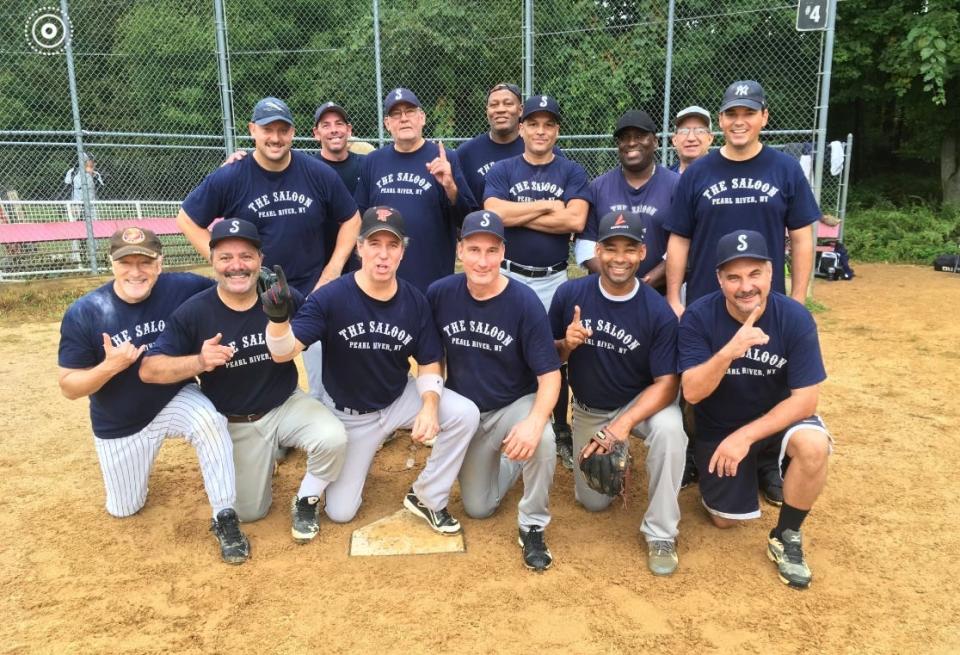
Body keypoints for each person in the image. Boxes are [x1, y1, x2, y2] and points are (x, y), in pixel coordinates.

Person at [264, 206, 480, 533]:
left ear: (402, 252)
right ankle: (306, 496)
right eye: (374, 244)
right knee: (340, 512)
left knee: (464, 413)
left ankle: (428, 496)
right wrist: (279, 321)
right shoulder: (331, 297)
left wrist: (430, 407)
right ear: (359, 247)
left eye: (392, 245)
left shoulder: (415, 301)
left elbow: (429, 361)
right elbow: (284, 353)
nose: (383, 254)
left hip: (398, 398)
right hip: (351, 416)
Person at [140, 219, 348, 545]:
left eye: (246, 256)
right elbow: (150, 369)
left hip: (285, 403)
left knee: (333, 437)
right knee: (250, 513)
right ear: (212, 262)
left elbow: (322, 326)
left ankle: (306, 499)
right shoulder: (194, 312)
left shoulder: (280, 296)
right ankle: (268, 454)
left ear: (260, 260)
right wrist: (199, 361)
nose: (237, 266)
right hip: (237, 421)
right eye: (226, 257)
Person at [664, 82, 822, 503]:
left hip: (763, 297)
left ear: (764, 118)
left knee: (769, 377)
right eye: (732, 114)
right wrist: (675, 298)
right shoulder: (699, 171)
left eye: (748, 113)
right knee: (699, 380)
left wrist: (799, 297)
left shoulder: (784, 169)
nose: (739, 121)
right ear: (721, 121)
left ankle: (766, 458)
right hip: (706, 299)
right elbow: (679, 238)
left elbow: (802, 236)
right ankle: (698, 453)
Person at [57, 227, 249, 565]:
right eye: (125, 262)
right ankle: (139, 471)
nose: (135, 272)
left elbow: (232, 291)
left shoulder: (183, 288)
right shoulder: (85, 312)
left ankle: (225, 516)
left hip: (172, 398)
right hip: (120, 422)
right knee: (125, 508)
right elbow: (69, 387)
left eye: (144, 262)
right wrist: (109, 366)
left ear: (159, 263)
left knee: (210, 422)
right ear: (111, 264)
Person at [176, 96, 361, 404]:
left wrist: (331, 272)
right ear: (252, 130)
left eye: (283, 130)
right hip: (257, 294)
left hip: (311, 289)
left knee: (324, 374)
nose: (275, 138)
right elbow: (186, 219)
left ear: (292, 132)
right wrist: (223, 261)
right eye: (267, 130)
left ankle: (324, 417)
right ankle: (276, 424)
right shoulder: (232, 176)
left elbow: (351, 218)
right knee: (264, 373)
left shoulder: (315, 172)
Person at [678, 229, 831, 589]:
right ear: (719, 279)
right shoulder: (699, 317)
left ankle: (786, 535)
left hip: (776, 421)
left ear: (771, 272)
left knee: (813, 446)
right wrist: (730, 350)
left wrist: (746, 437)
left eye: (754, 274)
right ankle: (760, 464)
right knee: (725, 521)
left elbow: (806, 399)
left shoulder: (793, 317)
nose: (745, 286)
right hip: (721, 424)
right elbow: (693, 392)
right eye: (733, 277)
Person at [551, 211, 687, 576]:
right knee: (593, 502)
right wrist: (566, 343)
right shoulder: (570, 294)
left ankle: (660, 531)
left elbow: (667, 384)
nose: (620, 258)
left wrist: (623, 425)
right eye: (611, 248)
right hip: (591, 407)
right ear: (597, 250)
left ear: (643, 252)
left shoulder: (657, 311)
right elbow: (549, 358)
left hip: (642, 405)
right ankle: (616, 451)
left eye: (630, 249)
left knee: (671, 430)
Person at [427, 210, 561, 571]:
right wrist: (434, 406)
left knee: (543, 438)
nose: (482, 261)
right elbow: (430, 358)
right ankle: (513, 462)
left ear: (503, 252)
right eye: (473, 249)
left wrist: (534, 422)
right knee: (478, 507)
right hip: (468, 415)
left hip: (513, 405)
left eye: (491, 250)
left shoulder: (524, 302)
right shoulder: (440, 294)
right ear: (459, 250)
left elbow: (550, 376)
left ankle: (532, 525)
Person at [483, 94, 590, 472]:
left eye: (548, 124)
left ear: (557, 130)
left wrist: (517, 214)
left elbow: (575, 221)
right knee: (506, 349)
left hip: (554, 278)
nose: (541, 130)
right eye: (533, 123)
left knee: (554, 353)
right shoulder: (504, 168)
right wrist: (547, 206)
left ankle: (559, 427)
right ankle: (506, 421)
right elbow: (493, 212)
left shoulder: (571, 172)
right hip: (509, 274)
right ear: (522, 127)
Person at [354, 88, 475, 292]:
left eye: (409, 112)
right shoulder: (373, 161)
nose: (403, 119)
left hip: (430, 276)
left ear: (422, 118)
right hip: (382, 277)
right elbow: (360, 219)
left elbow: (468, 220)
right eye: (396, 114)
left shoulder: (445, 158)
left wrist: (450, 186)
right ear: (387, 123)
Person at [574, 110, 679, 293]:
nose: (631, 142)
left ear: (655, 141)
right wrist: (616, 280)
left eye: (640, 136)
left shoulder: (676, 185)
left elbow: (683, 245)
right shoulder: (598, 187)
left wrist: (646, 282)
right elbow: (585, 246)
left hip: (659, 293)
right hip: (606, 293)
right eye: (624, 138)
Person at [669, 106, 714, 174]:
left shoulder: (725, 176)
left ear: (710, 139)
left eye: (699, 131)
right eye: (684, 131)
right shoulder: (664, 181)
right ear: (674, 140)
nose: (691, 138)